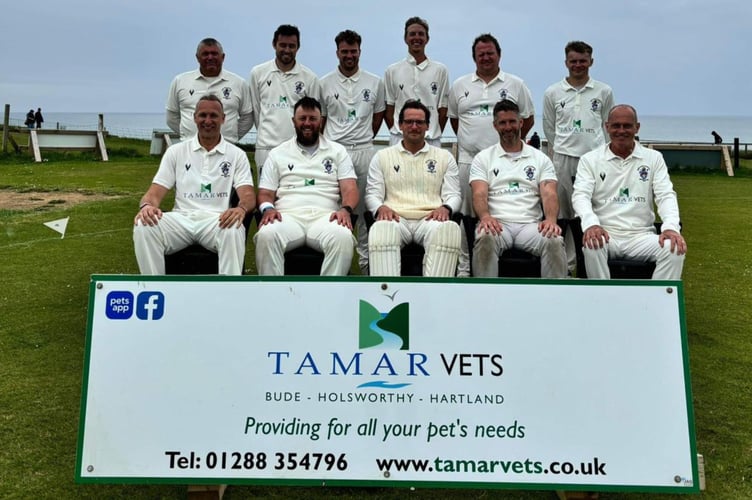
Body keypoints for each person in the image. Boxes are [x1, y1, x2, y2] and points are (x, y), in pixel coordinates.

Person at [133, 95, 255, 276]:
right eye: (203, 115)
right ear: (194, 117)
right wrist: (147, 206)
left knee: (235, 228)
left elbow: (248, 196)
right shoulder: (176, 152)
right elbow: (154, 193)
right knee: (144, 225)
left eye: (213, 116)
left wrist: (240, 210)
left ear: (223, 119)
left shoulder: (236, 154)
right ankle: (155, 290)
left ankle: (230, 295)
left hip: (216, 221)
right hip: (181, 219)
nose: (208, 121)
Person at [448, 33, 536, 277]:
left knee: (496, 211)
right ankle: (465, 266)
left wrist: (506, 142)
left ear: (499, 55)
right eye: (481, 54)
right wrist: (473, 144)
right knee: (466, 215)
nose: (485, 58)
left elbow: (526, 119)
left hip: (505, 161)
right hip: (468, 159)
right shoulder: (460, 85)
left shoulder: (516, 84)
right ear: (474, 57)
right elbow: (455, 121)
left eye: (490, 53)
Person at [572, 104, 686, 279]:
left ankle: (655, 302)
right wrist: (592, 224)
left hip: (641, 236)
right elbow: (581, 195)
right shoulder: (590, 160)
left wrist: (671, 227)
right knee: (592, 244)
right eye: (616, 125)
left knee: (674, 248)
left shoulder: (653, 158)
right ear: (607, 127)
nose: (621, 131)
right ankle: (603, 300)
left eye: (627, 126)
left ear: (637, 127)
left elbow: (666, 195)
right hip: (606, 234)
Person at [255, 97, 357, 276]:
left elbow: (350, 188)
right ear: (294, 121)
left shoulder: (337, 151)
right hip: (287, 217)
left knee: (342, 237)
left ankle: (330, 298)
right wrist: (268, 209)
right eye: (302, 119)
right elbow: (265, 192)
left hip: (326, 217)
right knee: (266, 235)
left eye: (313, 119)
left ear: (321, 121)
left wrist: (346, 209)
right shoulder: (278, 153)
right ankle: (272, 297)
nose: (307, 123)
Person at [470, 100, 566, 278]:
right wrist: (485, 217)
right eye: (503, 123)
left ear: (521, 122)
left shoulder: (540, 158)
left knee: (554, 240)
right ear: (495, 126)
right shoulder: (483, 158)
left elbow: (549, 193)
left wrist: (551, 220)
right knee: (485, 237)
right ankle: (485, 296)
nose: (508, 127)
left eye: (512, 121)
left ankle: (554, 297)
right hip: (498, 223)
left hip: (530, 225)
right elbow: (479, 193)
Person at [365, 101, 461, 277]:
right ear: (400, 125)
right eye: (409, 122)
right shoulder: (382, 156)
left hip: (430, 218)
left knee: (448, 230)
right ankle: (386, 300)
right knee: (381, 229)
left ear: (427, 126)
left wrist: (446, 208)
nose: (414, 127)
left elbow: (454, 195)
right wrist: (380, 207)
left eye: (419, 122)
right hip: (395, 217)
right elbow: (372, 194)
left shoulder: (444, 157)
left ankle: (436, 298)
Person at [543, 40, 614, 275]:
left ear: (591, 62)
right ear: (566, 63)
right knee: (563, 214)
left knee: (589, 211)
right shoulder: (553, 92)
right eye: (573, 61)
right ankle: (567, 264)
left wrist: (599, 155)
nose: (578, 65)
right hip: (562, 159)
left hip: (593, 160)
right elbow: (549, 127)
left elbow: (607, 125)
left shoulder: (603, 91)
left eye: (583, 61)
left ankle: (589, 263)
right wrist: (561, 148)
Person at [320, 29, 386, 276]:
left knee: (365, 212)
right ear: (337, 52)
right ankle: (340, 267)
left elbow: (378, 116)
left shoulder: (374, 82)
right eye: (345, 51)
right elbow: (322, 120)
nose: (349, 55)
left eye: (353, 51)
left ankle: (367, 266)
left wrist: (361, 137)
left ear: (360, 51)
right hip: (335, 153)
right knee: (338, 209)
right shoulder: (324, 82)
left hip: (364, 151)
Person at [249, 24, 321, 173]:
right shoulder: (258, 73)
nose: (287, 50)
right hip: (266, 148)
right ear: (274, 44)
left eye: (291, 46)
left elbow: (313, 116)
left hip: (296, 148)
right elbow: (257, 111)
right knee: (266, 195)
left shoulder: (310, 78)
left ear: (298, 47)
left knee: (294, 193)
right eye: (282, 45)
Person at [166, 38, 252, 144]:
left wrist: (230, 138)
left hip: (226, 150)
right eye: (205, 54)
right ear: (197, 57)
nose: (210, 57)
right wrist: (188, 136)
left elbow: (247, 117)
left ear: (223, 57)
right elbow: (171, 116)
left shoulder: (239, 83)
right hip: (189, 150)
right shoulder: (180, 81)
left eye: (214, 54)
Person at [383, 16, 449, 147]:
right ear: (405, 38)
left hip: (430, 139)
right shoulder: (392, 70)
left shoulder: (440, 70)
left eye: (421, 34)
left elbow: (443, 109)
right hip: (399, 138)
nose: (416, 38)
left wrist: (430, 130)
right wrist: (400, 129)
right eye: (412, 34)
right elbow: (389, 109)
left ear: (427, 39)